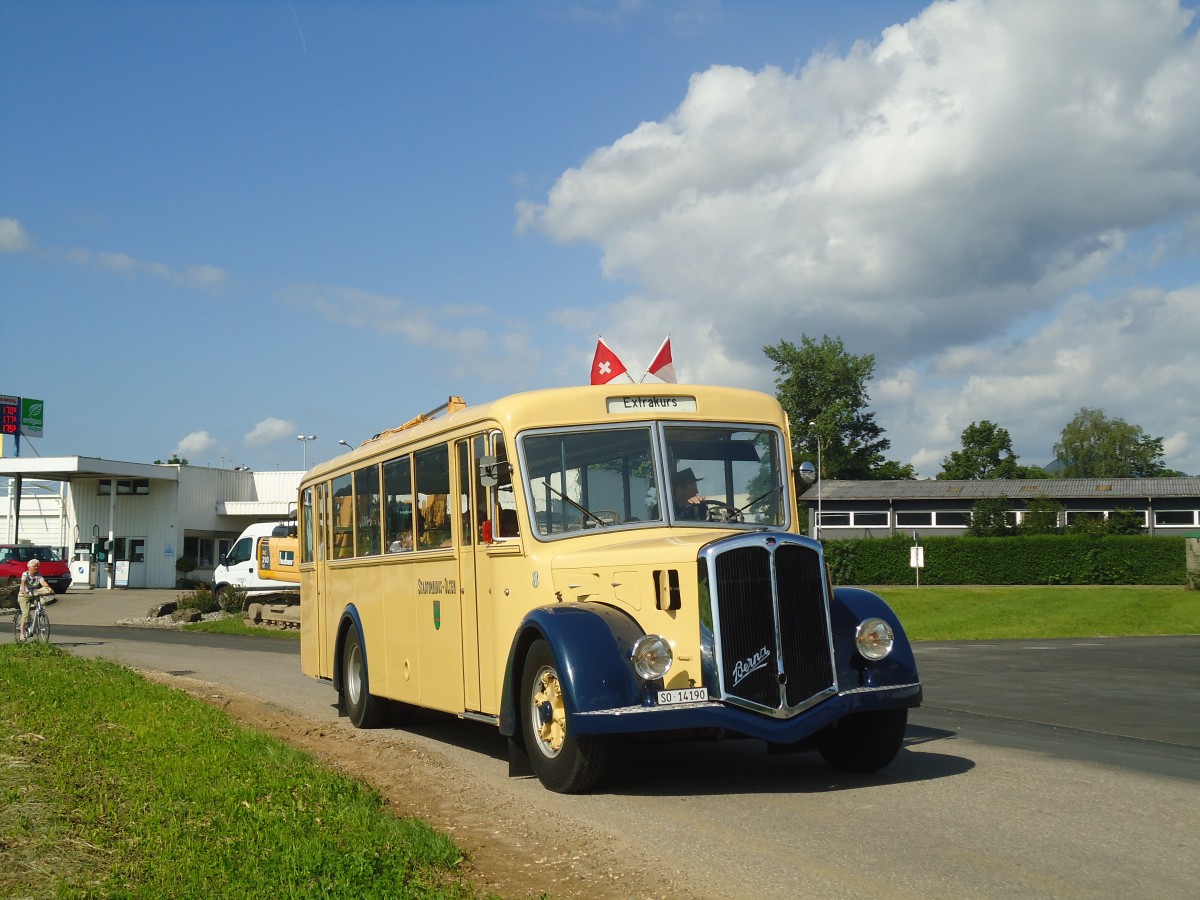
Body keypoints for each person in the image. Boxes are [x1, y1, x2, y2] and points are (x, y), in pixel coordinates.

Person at [17, 559, 48, 642]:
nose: (36, 567)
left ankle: (40, 614)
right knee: (25, 614)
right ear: (29, 566)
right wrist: (24, 592)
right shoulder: (25, 574)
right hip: (24, 596)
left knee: (42, 601)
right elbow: (22, 583)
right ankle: (22, 634)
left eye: (37, 566)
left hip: (34, 594)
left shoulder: (38, 575)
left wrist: (48, 588)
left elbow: (43, 582)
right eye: (34, 566)